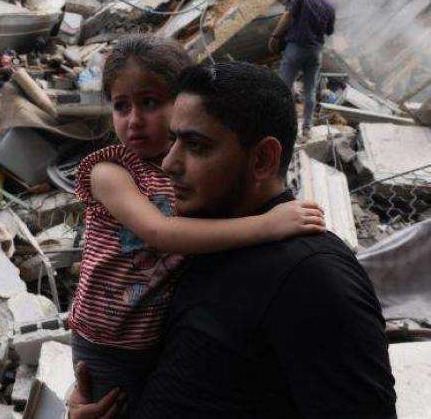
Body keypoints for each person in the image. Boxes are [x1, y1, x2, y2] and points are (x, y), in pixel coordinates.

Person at [69, 62, 397, 419]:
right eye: (173, 139)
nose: (168, 163)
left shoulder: (311, 275)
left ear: (262, 159)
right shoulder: (197, 245)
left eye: (195, 145)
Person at [270, 0, 336, 138]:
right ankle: (306, 128)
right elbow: (329, 32)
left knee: (283, 87)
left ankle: (278, 125)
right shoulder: (330, 7)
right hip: (315, 52)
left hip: (296, 48)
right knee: (310, 90)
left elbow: (287, 16)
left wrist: (275, 35)